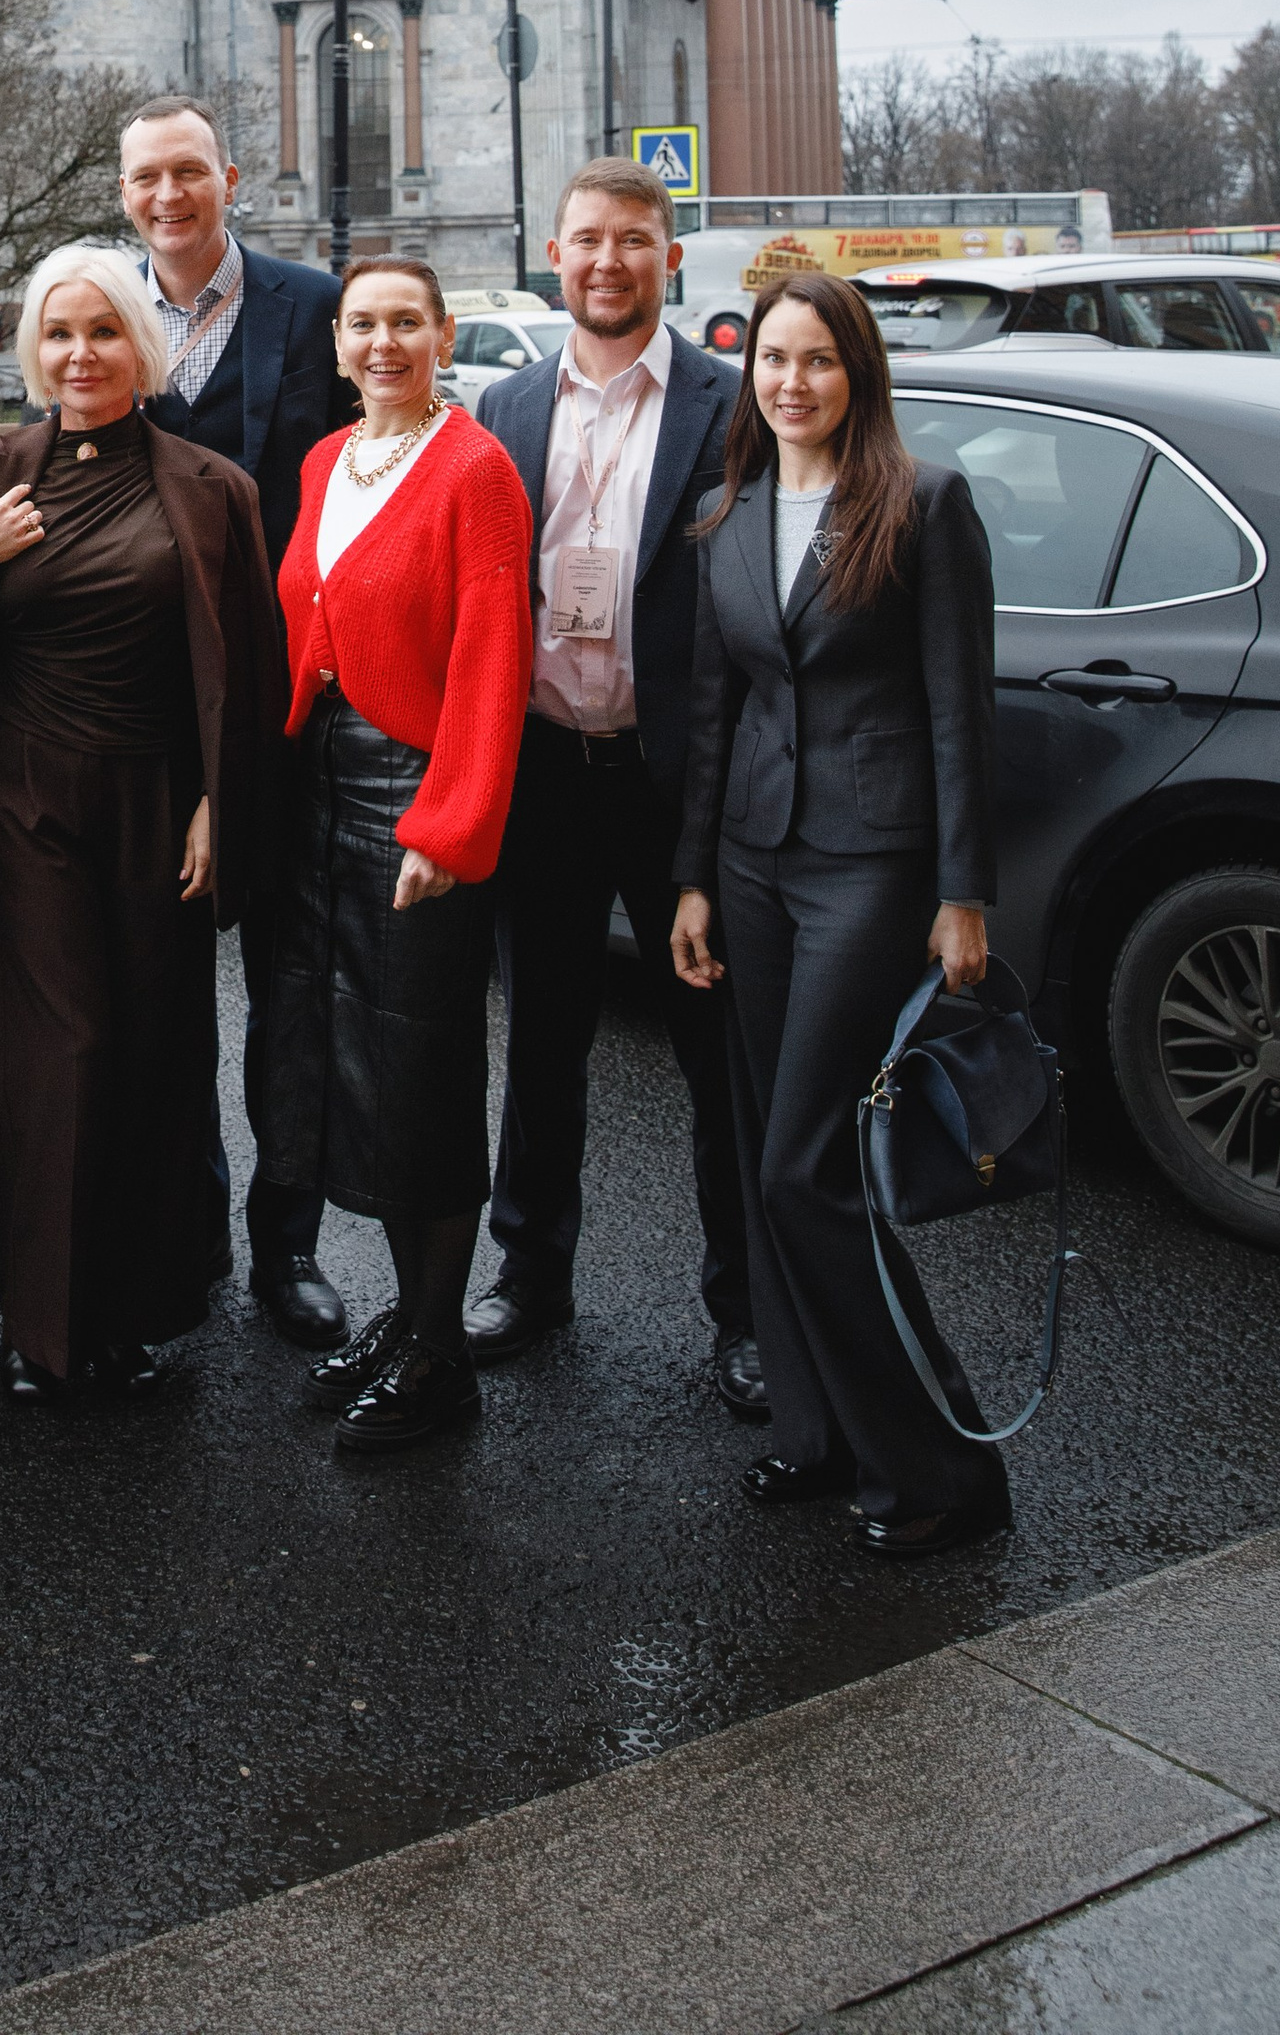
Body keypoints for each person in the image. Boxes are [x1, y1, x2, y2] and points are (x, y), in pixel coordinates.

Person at [0, 244, 282, 1403]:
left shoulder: (210, 488)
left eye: (103, 332)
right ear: (31, 350)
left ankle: (128, 1311)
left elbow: (242, 673)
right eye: (58, 334)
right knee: (63, 1051)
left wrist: (218, 800)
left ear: (139, 349)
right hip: (24, 802)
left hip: (156, 797)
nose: (80, 354)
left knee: (154, 1051)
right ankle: (40, 1329)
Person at [673, 271, 1009, 1559]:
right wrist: (693, 880)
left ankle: (940, 1469)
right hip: (752, 860)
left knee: (805, 1169)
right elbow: (716, 716)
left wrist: (961, 894)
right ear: (748, 371)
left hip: (871, 866)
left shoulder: (923, 507)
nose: (791, 381)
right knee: (773, 1152)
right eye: (772, 358)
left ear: (856, 374)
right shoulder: (730, 513)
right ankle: (814, 1437)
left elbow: (955, 712)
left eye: (818, 360)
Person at [471, 162, 760, 1411]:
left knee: (717, 1052)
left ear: (668, 260)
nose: (606, 261)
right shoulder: (501, 407)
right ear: (552, 251)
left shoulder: (733, 406)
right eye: (586, 240)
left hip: (672, 780)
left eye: (631, 242)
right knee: (539, 1037)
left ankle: (747, 1311)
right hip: (543, 768)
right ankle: (529, 1273)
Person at [263, 258, 535, 1448]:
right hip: (323, 786)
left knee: (418, 1071)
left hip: (412, 792)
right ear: (335, 343)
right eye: (362, 324)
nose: (383, 342)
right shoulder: (330, 460)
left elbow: (492, 654)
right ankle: (410, 1314)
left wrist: (451, 824)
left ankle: (438, 1356)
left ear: (443, 335)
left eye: (405, 324)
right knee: (349, 1061)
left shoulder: (475, 468)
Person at [123, 96, 349, 1350]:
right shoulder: (101, 318)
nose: (170, 196)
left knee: (288, 988)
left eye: (190, 173)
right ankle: (182, 1230)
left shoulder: (309, 308)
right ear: (125, 195)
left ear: (231, 178)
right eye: (147, 177)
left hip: (279, 698)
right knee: (153, 986)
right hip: (137, 700)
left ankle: (288, 1245)